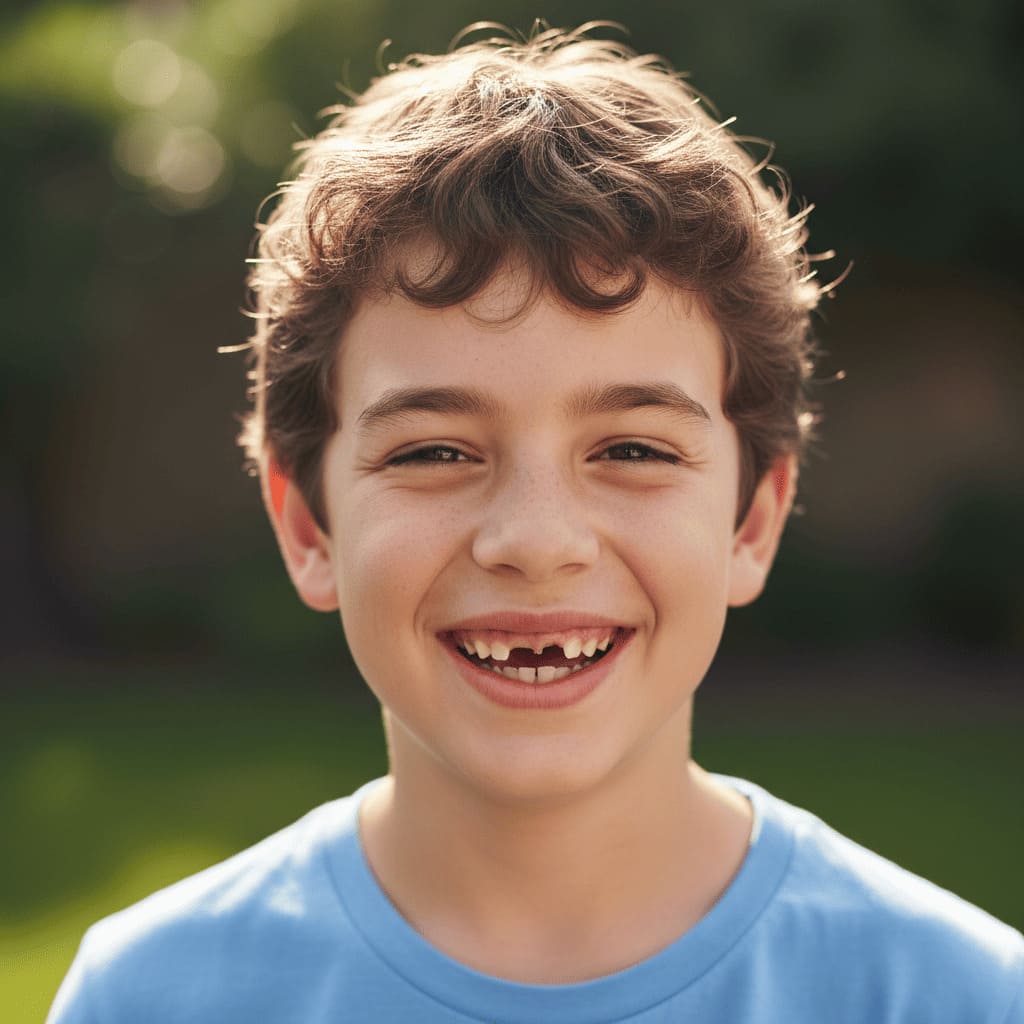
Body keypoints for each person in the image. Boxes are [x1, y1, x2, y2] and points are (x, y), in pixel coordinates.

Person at [49, 22, 1023, 1024]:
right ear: (309, 528)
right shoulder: (150, 996)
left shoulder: (955, 997)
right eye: (433, 452)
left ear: (752, 521)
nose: (535, 539)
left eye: (632, 450)